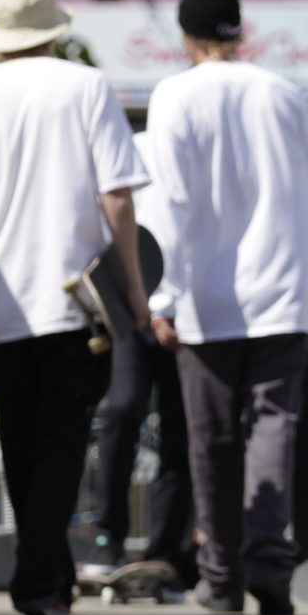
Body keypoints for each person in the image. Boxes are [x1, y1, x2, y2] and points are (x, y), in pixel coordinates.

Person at [0, 0, 147, 615]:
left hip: (3, 300)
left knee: (22, 447)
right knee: (61, 443)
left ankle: (48, 578)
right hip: (75, 297)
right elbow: (117, 193)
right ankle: (36, 581)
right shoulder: (84, 87)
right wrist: (135, 289)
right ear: (54, 30)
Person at [144, 0, 308, 615]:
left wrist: (165, 293)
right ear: (239, 30)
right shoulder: (284, 93)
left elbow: (169, 201)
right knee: (272, 424)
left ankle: (222, 573)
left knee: (210, 438)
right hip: (281, 294)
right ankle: (268, 556)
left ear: (185, 32)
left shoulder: (173, 96)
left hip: (206, 298)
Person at [85, 131, 198, 590]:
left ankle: (166, 550)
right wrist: (150, 304)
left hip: (188, 317)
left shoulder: (206, 158)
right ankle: (107, 535)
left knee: (182, 434)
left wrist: (179, 306)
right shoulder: (134, 147)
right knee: (122, 410)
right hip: (136, 309)